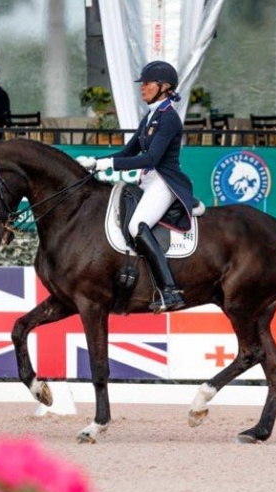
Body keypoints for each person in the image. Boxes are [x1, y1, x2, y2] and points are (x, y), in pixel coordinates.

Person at [76, 61, 193, 313]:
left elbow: (151, 159)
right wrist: (95, 162)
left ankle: (170, 291)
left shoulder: (169, 118)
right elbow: (129, 151)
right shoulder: (151, 116)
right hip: (149, 179)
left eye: (148, 83)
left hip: (164, 181)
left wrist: (108, 163)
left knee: (136, 226)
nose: (143, 88)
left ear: (165, 87)